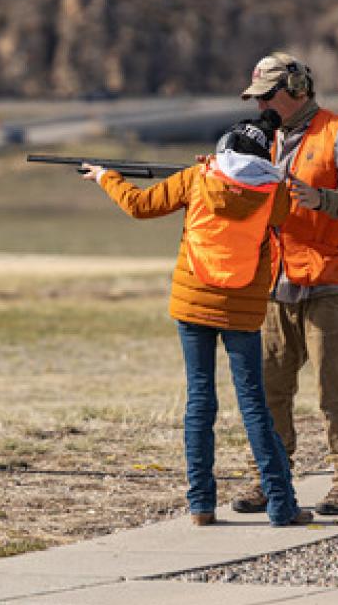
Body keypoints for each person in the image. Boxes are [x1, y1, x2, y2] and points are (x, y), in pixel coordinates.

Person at [81, 110, 312, 527]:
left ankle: (201, 506)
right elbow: (276, 213)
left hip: (192, 304)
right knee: (254, 407)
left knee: (199, 402)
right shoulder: (273, 193)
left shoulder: (196, 177)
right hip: (241, 310)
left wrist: (105, 176)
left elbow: (139, 205)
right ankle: (281, 505)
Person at [230, 52, 338, 516]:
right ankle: (270, 480)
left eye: (268, 96)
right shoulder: (260, 139)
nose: (261, 107)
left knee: (335, 390)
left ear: (297, 89)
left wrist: (321, 199)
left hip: (333, 282)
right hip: (277, 282)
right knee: (269, 389)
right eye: (256, 98)